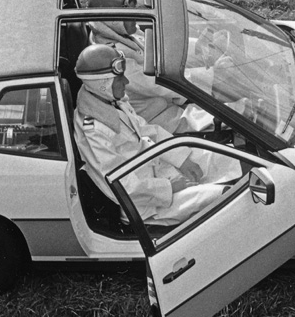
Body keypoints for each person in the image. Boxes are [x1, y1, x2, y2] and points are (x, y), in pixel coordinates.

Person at [72, 44, 236, 227]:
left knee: (227, 157)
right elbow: (120, 184)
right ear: (103, 85)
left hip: (159, 169)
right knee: (226, 196)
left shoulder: (111, 102)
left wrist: (183, 160)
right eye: (119, 79)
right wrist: (169, 187)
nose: (126, 82)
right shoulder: (94, 128)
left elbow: (150, 131)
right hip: (148, 205)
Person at [86, 0, 213, 134]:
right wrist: (212, 76)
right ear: (113, 19)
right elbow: (160, 84)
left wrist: (197, 47)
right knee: (222, 118)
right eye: (130, 13)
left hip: (165, 101)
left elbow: (158, 47)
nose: (137, 16)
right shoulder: (111, 58)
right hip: (154, 117)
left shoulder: (117, 32)